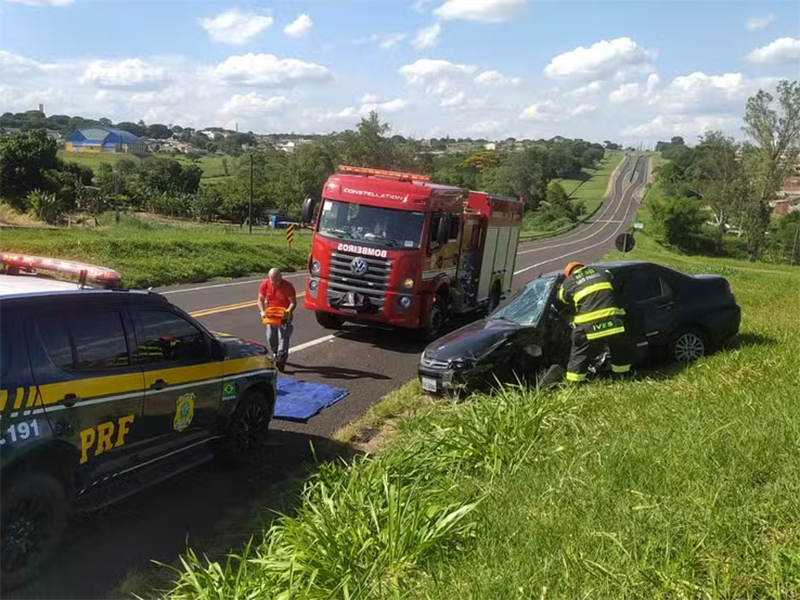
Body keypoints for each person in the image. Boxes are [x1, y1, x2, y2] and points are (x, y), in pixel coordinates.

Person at [557, 261, 632, 383]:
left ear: (569, 273)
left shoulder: (569, 281)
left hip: (588, 326)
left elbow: (563, 299)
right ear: (582, 267)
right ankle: (622, 378)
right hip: (613, 321)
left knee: (579, 354)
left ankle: (573, 384)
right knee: (619, 349)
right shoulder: (602, 271)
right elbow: (616, 284)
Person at [257, 268, 297, 372]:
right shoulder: (265, 284)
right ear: (269, 278)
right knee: (270, 336)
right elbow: (260, 299)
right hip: (271, 315)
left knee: (283, 338)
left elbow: (293, 302)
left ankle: (281, 358)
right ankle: (275, 352)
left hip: (284, 316)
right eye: (272, 281)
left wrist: (288, 310)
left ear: (281, 277)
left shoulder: (288, 286)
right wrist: (262, 311)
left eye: (277, 281)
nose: (275, 283)